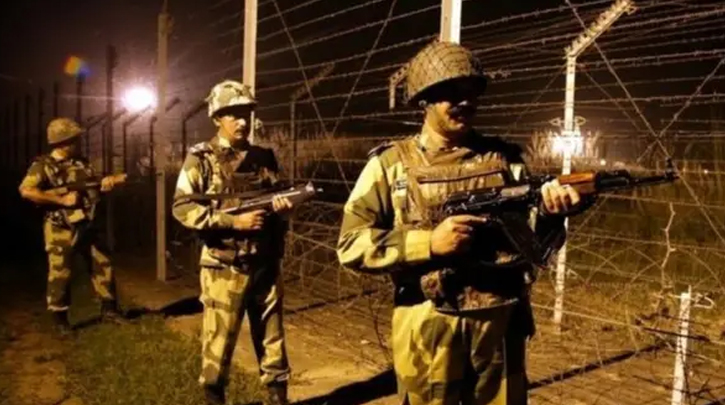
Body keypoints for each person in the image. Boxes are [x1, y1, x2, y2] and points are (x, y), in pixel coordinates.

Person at [337, 41, 595, 405]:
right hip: (429, 330)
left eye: (471, 92)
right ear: (424, 99)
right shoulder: (390, 165)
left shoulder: (506, 161)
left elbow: (533, 243)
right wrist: (428, 244)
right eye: (450, 93)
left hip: (499, 327)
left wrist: (553, 214)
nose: (464, 101)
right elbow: (350, 244)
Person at [172, 80, 294, 405]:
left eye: (246, 114)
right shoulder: (201, 159)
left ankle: (278, 397)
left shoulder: (264, 157)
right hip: (224, 265)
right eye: (233, 114)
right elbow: (181, 207)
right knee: (218, 344)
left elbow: (277, 200)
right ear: (217, 118)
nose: (242, 121)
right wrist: (233, 222)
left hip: (265, 263)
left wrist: (283, 210)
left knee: (273, 343)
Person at [18, 117, 125, 334]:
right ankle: (59, 318)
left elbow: (91, 185)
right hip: (60, 227)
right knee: (60, 271)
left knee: (102, 263)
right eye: (74, 139)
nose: (78, 142)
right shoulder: (43, 166)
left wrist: (106, 184)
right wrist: (61, 200)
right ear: (63, 142)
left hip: (87, 223)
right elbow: (26, 191)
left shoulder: (81, 163)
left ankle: (109, 309)